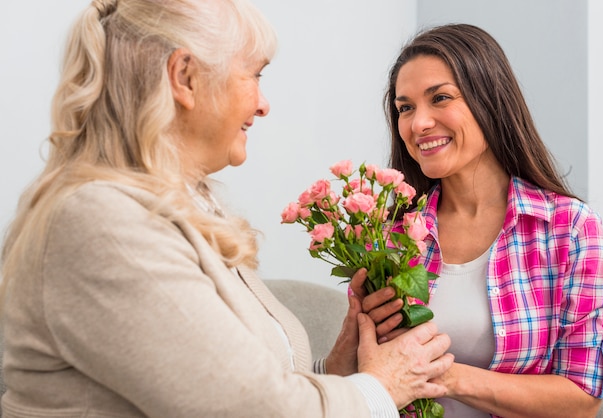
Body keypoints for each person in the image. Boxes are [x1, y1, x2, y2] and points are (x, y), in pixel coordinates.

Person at [0, 0, 455, 416]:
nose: (263, 105)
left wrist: (339, 371)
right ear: (184, 77)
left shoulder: (175, 207)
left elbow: (237, 389)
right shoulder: (101, 223)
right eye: (255, 74)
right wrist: (382, 385)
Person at [356, 23, 603, 418]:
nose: (419, 124)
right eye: (405, 108)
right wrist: (358, 340)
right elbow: (361, 381)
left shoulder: (569, 229)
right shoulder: (390, 236)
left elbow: (582, 399)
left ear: (488, 100)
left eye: (440, 98)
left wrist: (443, 376)